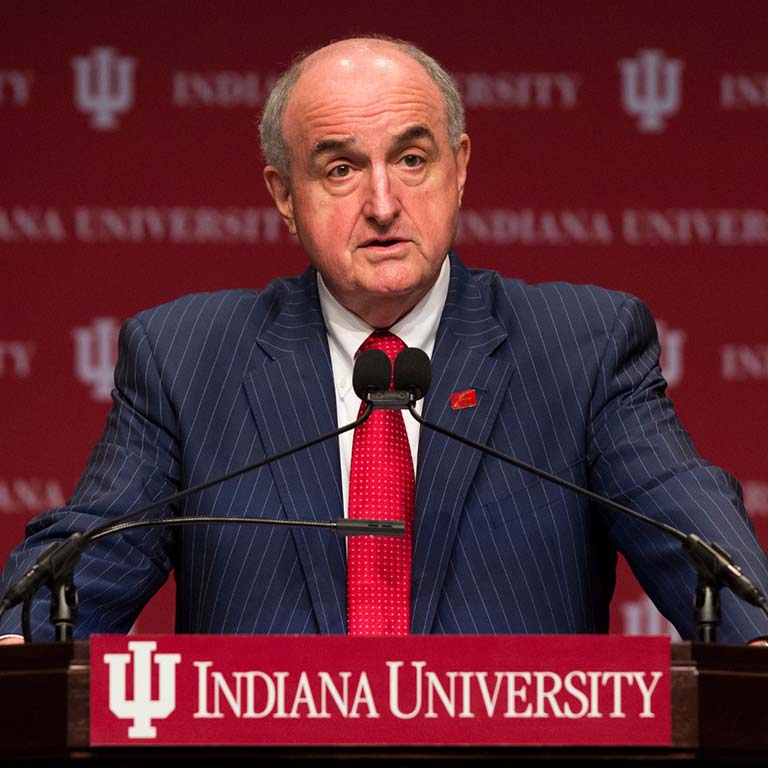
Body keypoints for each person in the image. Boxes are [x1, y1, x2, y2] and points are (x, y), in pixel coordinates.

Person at [1, 36, 767, 644]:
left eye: (411, 159)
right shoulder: (186, 357)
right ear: (283, 196)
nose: (382, 203)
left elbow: (700, 548)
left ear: (459, 169)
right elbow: (79, 570)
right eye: (340, 168)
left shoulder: (585, 346)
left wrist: (756, 634)